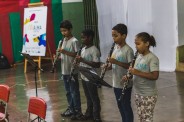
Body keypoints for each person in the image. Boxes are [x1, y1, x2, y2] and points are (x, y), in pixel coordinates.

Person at [123, 32, 159, 122]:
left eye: (138, 44)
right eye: (135, 44)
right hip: (138, 93)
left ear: (147, 44)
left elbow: (155, 76)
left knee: (147, 119)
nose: (136, 46)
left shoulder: (152, 58)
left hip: (148, 94)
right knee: (141, 117)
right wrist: (128, 76)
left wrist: (137, 72)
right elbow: (134, 73)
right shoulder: (138, 56)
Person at [106, 23, 134, 122]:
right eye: (112, 36)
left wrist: (116, 62)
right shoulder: (115, 48)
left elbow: (131, 67)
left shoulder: (128, 50)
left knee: (126, 105)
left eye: (116, 36)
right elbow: (113, 65)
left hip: (125, 83)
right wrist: (108, 67)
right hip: (116, 82)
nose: (113, 38)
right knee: (120, 105)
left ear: (124, 36)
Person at [76, 29, 102, 122]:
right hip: (83, 76)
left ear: (90, 38)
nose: (82, 39)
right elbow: (82, 61)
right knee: (88, 97)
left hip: (91, 77)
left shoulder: (94, 50)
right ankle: (89, 114)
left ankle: (96, 116)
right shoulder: (83, 48)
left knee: (94, 97)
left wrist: (82, 60)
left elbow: (97, 64)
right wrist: (78, 63)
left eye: (83, 37)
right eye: (81, 37)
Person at [58, 20, 83, 119]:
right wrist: (60, 55)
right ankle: (71, 109)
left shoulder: (74, 41)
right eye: (62, 31)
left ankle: (78, 111)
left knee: (74, 91)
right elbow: (63, 54)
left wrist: (64, 51)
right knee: (68, 92)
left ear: (70, 29)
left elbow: (77, 55)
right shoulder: (62, 41)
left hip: (72, 70)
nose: (63, 33)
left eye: (65, 31)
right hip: (64, 70)